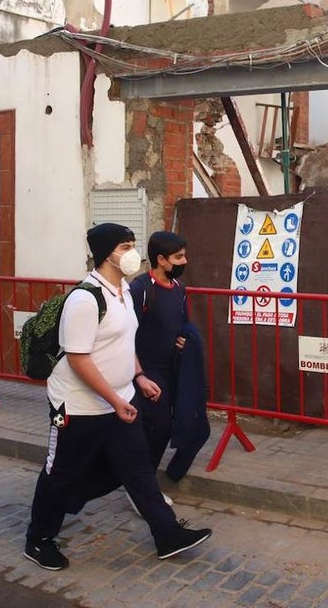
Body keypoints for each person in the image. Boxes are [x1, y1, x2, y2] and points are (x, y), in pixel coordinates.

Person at [22, 223, 211, 571]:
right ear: (107, 252)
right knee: (59, 473)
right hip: (78, 406)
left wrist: (138, 377)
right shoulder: (84, 298)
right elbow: (78, 359)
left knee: (138, 469)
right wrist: (113, 398)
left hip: (119, 400)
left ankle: (167, 534)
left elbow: (125, 343)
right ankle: (39, 539)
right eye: (126, 247)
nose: (132, 253)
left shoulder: (123, 291)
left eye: (132, 245)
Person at [129, 231, 211, 484]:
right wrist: (139, 376)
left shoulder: (179, 289)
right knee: (160, 427)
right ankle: (144, 485)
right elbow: (124, 337)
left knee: (196, 425)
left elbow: (184, 324)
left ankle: (167, 475)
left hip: (175, 369)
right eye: (179, 257)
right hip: (148, 372)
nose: (184, 262)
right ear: (162, 260)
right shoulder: (140, 289)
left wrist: (188, 338)